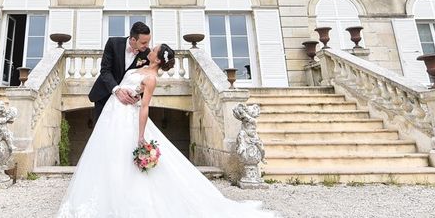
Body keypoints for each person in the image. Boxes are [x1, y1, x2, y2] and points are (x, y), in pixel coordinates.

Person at [57, 43, 280, 218]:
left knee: (124, 159)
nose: (150, 49)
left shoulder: (151, 78)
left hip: (128, 119)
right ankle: (105, 199)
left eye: (153, 49)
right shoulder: (138, 67)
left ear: (158, 58)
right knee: (108, 156)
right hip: (111, 115)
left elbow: (144, 107)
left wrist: (141, 135)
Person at [87, 21, 152, 124]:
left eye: (148, 42)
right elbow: (105, 70)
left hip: (126, 102)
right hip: (105, 94)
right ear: (133, 39)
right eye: (144, 43)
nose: (147, 46)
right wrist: (117, 90)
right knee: (102, 129)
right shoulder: (113, 43)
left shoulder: (147, 53)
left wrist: (137, 96)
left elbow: (143, 79)